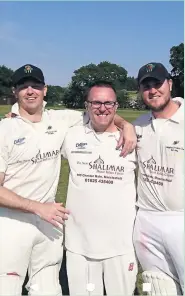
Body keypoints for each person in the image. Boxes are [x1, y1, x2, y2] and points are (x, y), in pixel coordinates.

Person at [0, 64, 137, 296]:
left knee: (48, 289)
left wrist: (127, 125)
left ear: (45, 90)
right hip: (13, 223)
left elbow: (101, 109)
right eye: (23, 87)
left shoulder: (61, 119)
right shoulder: (5, 128)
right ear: (15, 92)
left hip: (49, 224)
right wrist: (35, 207)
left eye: (35, 85)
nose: (30, 91)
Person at [61, 81, 138, 295]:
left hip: (121, 247)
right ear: (87, 106)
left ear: (116, 106)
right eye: (96, 102)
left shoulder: (132, 140)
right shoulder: (71, 136)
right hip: (79, 246)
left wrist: (127, 126)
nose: (102, 108)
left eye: (108, 103)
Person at [132, 62, 184, 295]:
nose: (153, 90)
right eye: (146, 86)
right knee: (157, 286)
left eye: (158, 83)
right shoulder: (138, 125)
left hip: (180, 219)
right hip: (146, 219)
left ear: (170, 84)